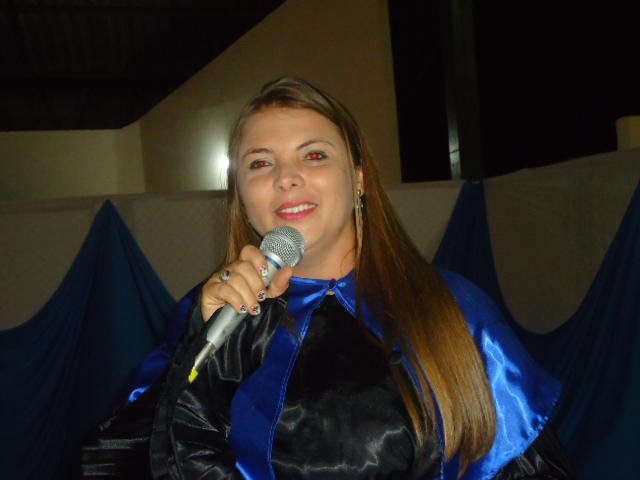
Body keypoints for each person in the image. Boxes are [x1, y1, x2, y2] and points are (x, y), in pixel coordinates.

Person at [82, 78, 576, 480]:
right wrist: (204, 350)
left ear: (358, 179)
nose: (286, 177)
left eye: (314, 155)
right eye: (260, 163)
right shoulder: (213, 313)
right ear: (243, 199)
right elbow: (123, 462)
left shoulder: (452, 306)